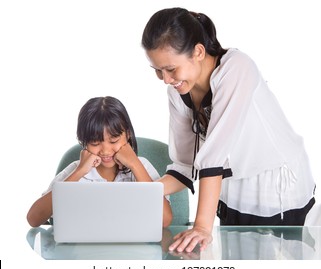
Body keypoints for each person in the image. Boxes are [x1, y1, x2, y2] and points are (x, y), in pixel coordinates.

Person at [141, 7, 316, 253]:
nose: (166, 79)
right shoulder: (177, 93)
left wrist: (202, 226)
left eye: (171, 69)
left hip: (273, 188)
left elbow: (213, 156)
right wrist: (143, 193)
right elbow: (185, 165)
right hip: (230, 188)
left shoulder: (236, 68)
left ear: (198, 52)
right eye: (157, 71)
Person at [27, 96, 172, 228]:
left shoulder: (141, 166)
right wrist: (79, 172)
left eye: (113, 141)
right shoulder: (76, 170)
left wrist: (135, 164)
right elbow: (33, 219)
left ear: (127, 134)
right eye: (95, 143)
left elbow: (165, 221)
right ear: (84, 142)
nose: (105, 151)